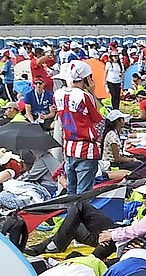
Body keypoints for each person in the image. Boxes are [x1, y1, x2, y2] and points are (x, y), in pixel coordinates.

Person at [27, 177, 146, 261]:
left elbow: (136, 231)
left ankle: (56, 246)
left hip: (124, 242)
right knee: (74, 226)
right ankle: (42, 247)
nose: (143, 197)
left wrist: (111, 234)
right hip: (121, 240)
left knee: (81, 207)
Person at [54, 60, 103, 195]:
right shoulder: (85, 96)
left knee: (72, 190)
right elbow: (97, 120)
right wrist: (93, 92)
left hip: (69, 147)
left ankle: (71, 215)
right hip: (85, 149)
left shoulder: (58, 94)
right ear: (86, 78)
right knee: (83, 194)